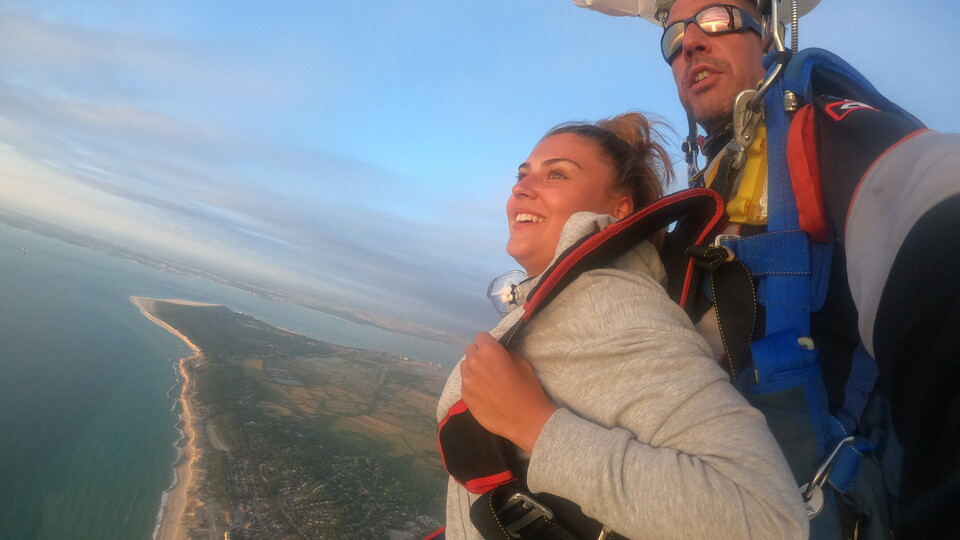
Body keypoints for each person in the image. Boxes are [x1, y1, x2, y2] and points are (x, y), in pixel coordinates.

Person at [576, 0, 960, 537]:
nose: (690, 42)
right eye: (675, 35)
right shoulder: (713, 185)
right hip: (681, 491)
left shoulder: (817, 131)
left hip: (800, 500)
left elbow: (925, 197)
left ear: (768, 34)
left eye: (715, 17)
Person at [436, 112, 808, 539]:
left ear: (620, 209)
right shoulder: (566, 298)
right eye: (522, 174)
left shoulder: (610, 301)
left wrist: (534, 425)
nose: (521, 187)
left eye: (556, 174)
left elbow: (767, 520)